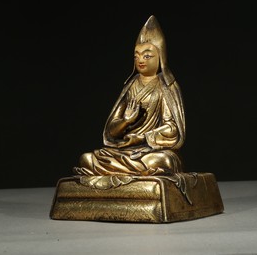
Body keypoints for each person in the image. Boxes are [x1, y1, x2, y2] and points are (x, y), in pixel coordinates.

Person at [74, 15, 186, 176]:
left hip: (149, 150)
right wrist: (126, 121)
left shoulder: (166, 86)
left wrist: (142, 138)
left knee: (165, 160)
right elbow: (111, 131)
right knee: (87, 159)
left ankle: (127, 170)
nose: (140, 60)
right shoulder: (130, 85)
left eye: (147, 56)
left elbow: (172, 128)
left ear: (160, 58)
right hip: (125, 149)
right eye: (136, 55)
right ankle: (135, 171)